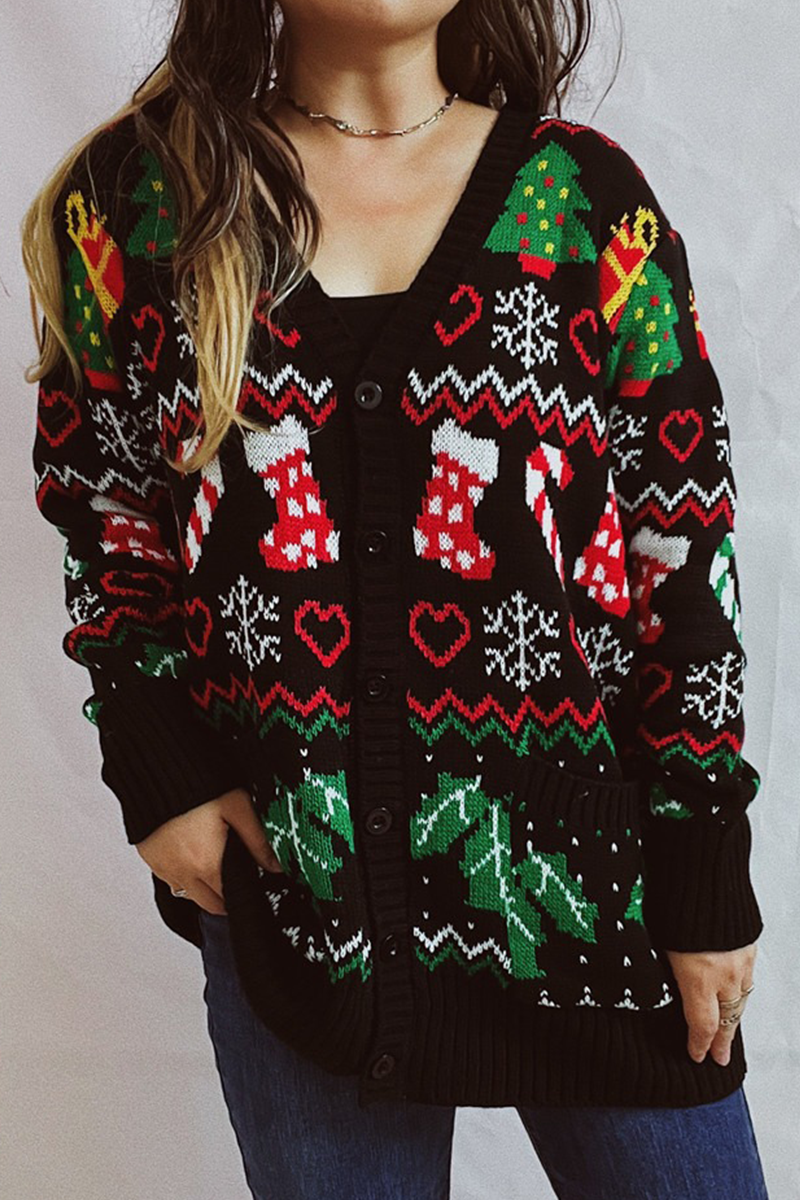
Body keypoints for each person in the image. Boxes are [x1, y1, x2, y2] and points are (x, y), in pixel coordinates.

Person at [22, 1, 770, 1197]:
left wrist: (700, 860)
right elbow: (103, 506)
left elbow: (681, 552)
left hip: (592, 899)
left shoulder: (582, 204)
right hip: (296, 904)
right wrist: (158, 764)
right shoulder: (149, 199)